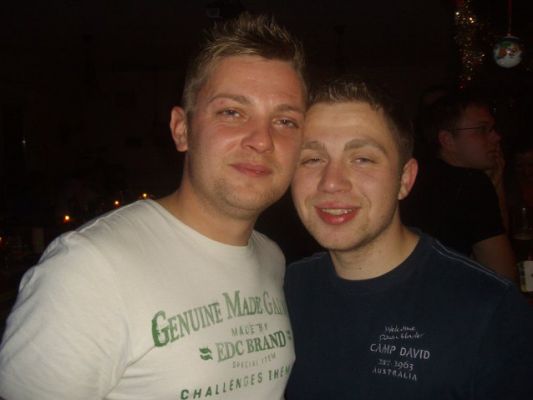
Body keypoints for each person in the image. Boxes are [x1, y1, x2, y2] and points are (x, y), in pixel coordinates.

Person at [0, 13, 306, 400]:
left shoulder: (272, 257)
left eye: (285, 120)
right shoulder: (87, 269)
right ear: (182, 129)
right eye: (231, 112)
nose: (262, 140)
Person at [284, 76, 533, 399]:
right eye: (312, 159)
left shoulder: (490, 309)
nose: (331, 182)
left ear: (404, 179)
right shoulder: (282, 290)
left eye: (362, 159)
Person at [401, 90, 516, 281]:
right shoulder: (471, 184)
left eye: (493, 129)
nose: (496, 137)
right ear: (447, 140)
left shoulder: (413, 178)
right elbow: (503, 276)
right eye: (482, 130)